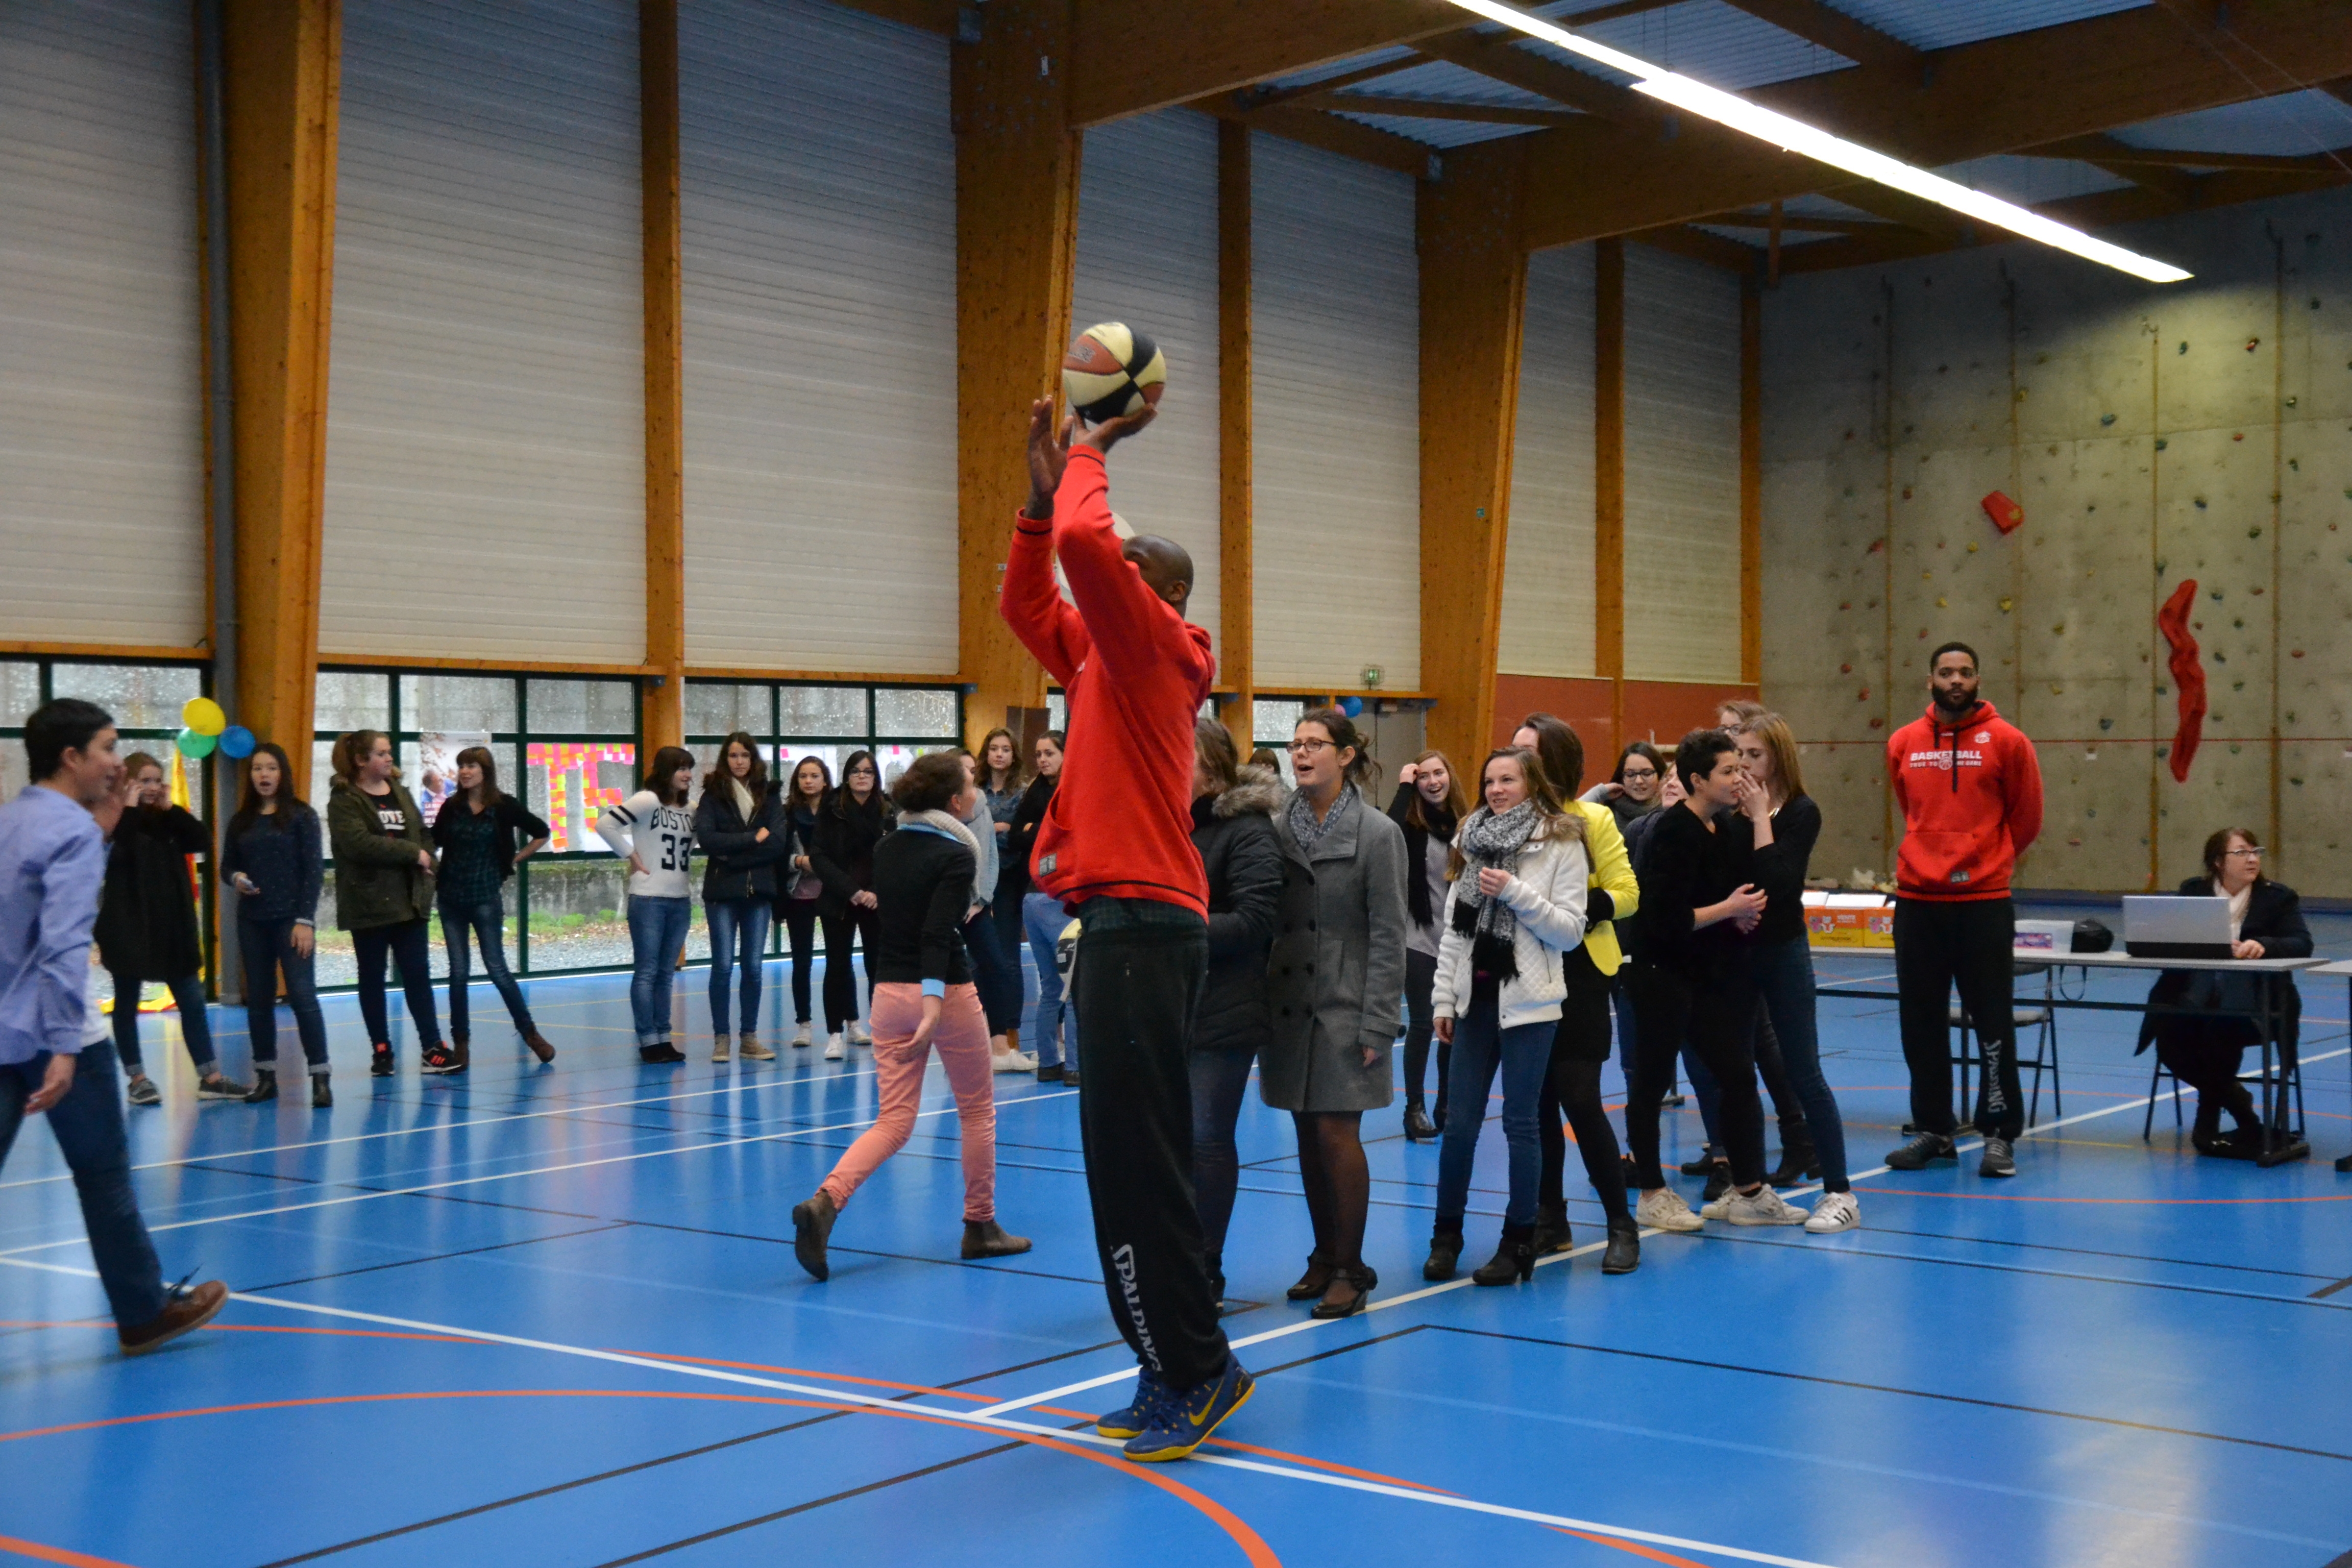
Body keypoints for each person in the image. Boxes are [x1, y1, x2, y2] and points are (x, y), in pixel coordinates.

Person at [1001, 393, 1252, 1461]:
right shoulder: (1103, 665)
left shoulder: (1155, 649)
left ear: (1164, 594)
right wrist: (1032, 502)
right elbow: (1029, 601)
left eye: (1123, 579)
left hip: (1147, 926)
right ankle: (1174, 1366)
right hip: (1115, 924)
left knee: (1139, 1163)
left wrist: (1089, 454)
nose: (1100, 587)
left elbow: (1086, 546)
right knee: (1120, 1164)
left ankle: (1198, 1372)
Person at [0, 699, 228, 1355]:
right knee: (104, 1180)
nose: (115, 761)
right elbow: (66, 947)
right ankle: (142, 1310)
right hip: (57, 1039)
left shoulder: (11, 821)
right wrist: (65, 1049)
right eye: (106, 747)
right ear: (71, 758)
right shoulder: (69, 834)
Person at [791, 753, 1032, 1279]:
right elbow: (935, 933)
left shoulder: (888, 845)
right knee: (976, 1112)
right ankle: (981, 1226)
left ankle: (827, 1201)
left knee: (895, 1120)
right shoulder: (956, 855)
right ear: (954, 802)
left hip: (886, 993)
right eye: (971, 784)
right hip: (939, 992)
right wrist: (932, 1000)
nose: (977, 791)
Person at [1622, 730, 1811, 1231]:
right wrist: (1729, 910)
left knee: (1737, 1076)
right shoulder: (1671, 831)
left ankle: (1748, 1189)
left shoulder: (1723, 828)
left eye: (1741, 769)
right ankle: (1651, 1193)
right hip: (1662, 974)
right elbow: (1664, 919)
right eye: (1728, 771)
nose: (1739, 779)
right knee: (1650, 1082)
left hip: (1709, 976)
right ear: (1698, 780)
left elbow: (1748, 888)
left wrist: (1740, 916)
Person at [1426, 747, 1591, 1285]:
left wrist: (1516, 893)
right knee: (1458, 1127)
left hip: (1531, 1006)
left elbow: (1568, 931)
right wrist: (1443, 1000)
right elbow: (1454, 932)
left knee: (1522, 1125)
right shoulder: (1470, 840)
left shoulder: (1561, 841)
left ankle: (1518, 1242)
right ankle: (1445, 1236)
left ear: (1532, 784)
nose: (1497, 790)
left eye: (1509, 780)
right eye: (1490, 780)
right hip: (1473, 1003)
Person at [1883, 641, 2044, 1178]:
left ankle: (1999, 1134)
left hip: (1983, 904)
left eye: (1966, 672)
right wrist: (1931, 857)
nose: (1957, 680)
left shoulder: (2009, 742)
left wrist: (1983, 861)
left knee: (1993, 1020)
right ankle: (1935, 1130)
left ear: (1978, 680)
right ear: (1930, 680)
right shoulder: (1904, 742)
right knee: (1920, 1022)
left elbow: (2026, 820)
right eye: (1947, 672)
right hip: (1918, 904)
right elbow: (1912, 809)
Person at [1265, 708, 1407, 1318]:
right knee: (1304, 1132)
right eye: (1295, 745)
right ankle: (1323, 1255)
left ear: (1345, 755)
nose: (1301, 754)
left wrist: (1379, 1020)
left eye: (1315, 745)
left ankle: (1352, 1267)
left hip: (1347, 1006)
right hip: (1287, 1008)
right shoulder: (1274, 829)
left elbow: (1389, 935)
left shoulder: (1378, 833)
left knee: (1335, 1133)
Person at [1509, 714, 1638, 1269]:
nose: (1514, 761)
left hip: (1582, 969)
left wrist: (1572, 908)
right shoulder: (1505, 823)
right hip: (1526, 971)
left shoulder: (1595, 819)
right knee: (1536, 1104)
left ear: (1554, 760)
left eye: (1527, 752)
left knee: (1579, 1096)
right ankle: (1550, 1219)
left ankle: (1620, 1223)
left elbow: (1627, 894)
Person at [1728, 714, 1856, 1231]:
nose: (1744, 767)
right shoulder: (1729, 813)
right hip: (1736, 954)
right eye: (1738, 757)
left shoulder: (1802, 812)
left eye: (1754, 756)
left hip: (1782, 952)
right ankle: (1749, 1188)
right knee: (1735, 1072)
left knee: (1804, 1071)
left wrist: (1760, 817)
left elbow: (1779, 882)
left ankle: (1840, 1192)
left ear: (1777, 757)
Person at [1185, 718, 1283, 1310]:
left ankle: (1207, 1269)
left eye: (1183, 754)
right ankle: (1175, 1262)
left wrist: (1178, 928)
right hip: (1168, 1004)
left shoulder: (1247, 829)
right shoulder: (1167, 823)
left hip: (1226, 1006)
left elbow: (1254, 922)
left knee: (1206, 1138)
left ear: (1214, 767)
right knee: (1170, 1143)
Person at [2137, 827, 2311, 1158]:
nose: (2252, 859)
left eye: (2255, 851)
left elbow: (2302, 943)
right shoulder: (2194, 891)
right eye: (2242, 852)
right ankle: (2239, 1104)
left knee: (2221, 1029)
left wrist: (2264, 945)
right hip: (2192, 995)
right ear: (2218, 862)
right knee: (2169, 1036)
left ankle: (2207, 1127)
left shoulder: (2278, 898)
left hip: (2257, 1003)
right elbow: (2170, 940)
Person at [95, 751, 244, 1106]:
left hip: (172, 927)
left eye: (155, 780)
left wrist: (171, 807)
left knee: (192, 1000)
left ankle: (210, 1076)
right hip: (128, 926)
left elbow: (201, 841)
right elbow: (122, 850)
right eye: (143, 781)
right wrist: (129, 807)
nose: (151, 788)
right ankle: (138, 1078)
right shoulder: (112, 818)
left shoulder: (167, 819)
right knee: (126, 1001)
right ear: (128, 783)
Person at [327, 730, 457, 1078]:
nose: (389, 760)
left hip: (408, 902)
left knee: (418, 975)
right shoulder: (344, 799)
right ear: (360, 761)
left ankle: (432, 1048)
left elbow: (421, 832)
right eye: (382, 754)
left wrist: (429, 856)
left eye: (389, 754)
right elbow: (359, 844)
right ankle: (381, 1050)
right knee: (372, 977)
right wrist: (411, 853)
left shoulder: (400, 792)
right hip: (368, 904)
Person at [220, 742, 330, 1105]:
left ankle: (320, 1076)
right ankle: (266, 1076)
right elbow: (226, 866)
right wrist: (236, 878)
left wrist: (305, 921)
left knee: (302, 995)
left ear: (282, 773)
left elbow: (314, 872)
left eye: (270, 768)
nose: (263, 775)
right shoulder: (242, 820)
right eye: (257, 769)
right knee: (259, 1002)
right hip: (253, 921)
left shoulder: (302, 816)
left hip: (291, 921)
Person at [430, 745, 554, 1066]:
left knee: (497, 968)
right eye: (461, 766)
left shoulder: (504, 807)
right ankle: (461, 1043)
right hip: (451, 900)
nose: (465, 772)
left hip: (485, 898)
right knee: (458, 972)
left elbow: (541, 833)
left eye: (472, 765)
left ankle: (530, 1033)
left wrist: (513, 860)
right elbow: (434, 841)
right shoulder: (451, 807)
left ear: (486, 771)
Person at [599, 746, 697, 1065]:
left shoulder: (692, 809)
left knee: (666, 974)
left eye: (689, 769)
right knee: (647, 972)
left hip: (680, 900)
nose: (687, 775)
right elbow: (605, 825)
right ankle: (647, 1040)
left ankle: (664, 1038)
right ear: (666, 771)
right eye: (681, 768)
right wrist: (630, 855)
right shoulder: (647, 800)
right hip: (648, 899)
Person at [694, 732, 786, 1063]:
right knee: (722, 966)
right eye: (733, 755)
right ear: (725, 759)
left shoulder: (770, 795)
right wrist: (752, 839)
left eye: (745, 755)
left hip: (759, 892)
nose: (739, 761)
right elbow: (707, 839)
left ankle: (749, 1038)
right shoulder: (713, 796)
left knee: (754, 967)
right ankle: (722, 1039)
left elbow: (776, 843)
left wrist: (734, 855)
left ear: (753, 759)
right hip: (722, 893)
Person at [1390, 750, 1466, 1141]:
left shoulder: (1465, 825)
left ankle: (1447, 1104)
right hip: (1417, 938)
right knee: (1423, 1022)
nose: (1433, 781)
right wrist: (1403, 784)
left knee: (1452, 1025)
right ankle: (1414, 1108)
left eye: (1440, 773)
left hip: (1456, 940)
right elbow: (1384, 832)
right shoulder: (1408, 827)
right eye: (1424, 777)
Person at [954, 750, 1032, 1073]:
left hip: (978, 903)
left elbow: (989, 858)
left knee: (997, 965)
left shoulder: (982, 808)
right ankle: (962, 1047)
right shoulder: (934, 816)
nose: (973, 776)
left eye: (974, 771)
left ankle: (1000, 1045)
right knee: (953, 977)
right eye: (966, 771)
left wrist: (980, 899)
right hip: (947, 905)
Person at [810, 748, 889, 1062]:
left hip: (876, 901)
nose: (862, 777)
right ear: (847, 776)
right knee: (838, 966)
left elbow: (895, 854)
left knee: (878, 968)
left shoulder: (887, 808)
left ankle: (882, 1030)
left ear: (875, 777)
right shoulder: (832, 809)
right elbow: (819, 856)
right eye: (856, 771)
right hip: (840, 899)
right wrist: (852, 891)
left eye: (868, 771)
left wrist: (875, 892)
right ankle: (835, 1034)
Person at [1007, 731, 1074, 1084]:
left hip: (1038, 894)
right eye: (1038, 754)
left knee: (1052, 986)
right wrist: (1045, 832)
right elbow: (1016, 835)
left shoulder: (1072, 789)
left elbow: (1027, 834)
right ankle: (1074, 1065)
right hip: (1049, 896)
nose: (1042, 760)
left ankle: (1049, 1062)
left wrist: (1038, 831)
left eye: (1049, 753)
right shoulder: (1040, 792)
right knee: (1071, 985)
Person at [977, 726, 1030, 1061]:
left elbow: (1021, 837)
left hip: (1010, 878)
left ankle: (1010, 1034)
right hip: (979, 877)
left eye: (1006, 749)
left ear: (1014, 755)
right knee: (978, 957)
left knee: (1009, 956)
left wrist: (1003, 831)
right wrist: (995, 830)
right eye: (994, 748)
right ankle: (983, 1030)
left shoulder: (1022, 794)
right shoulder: (975, 791)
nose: (999, 754)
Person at [778, 756, 831, 1048]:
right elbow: (777, 856)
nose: (809, 781)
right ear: (796, 781)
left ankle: (849, 1021)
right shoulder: (786, 815)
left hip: (831, 893)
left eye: (814, 775)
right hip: (799, 893)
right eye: (803, 776)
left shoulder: (836, 812)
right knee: (802, 961)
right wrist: (799, 861)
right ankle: (804, 1024)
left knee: (839, 960)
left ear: (825, 780)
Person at [1581, 740, 1665, 830]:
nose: (1639, 781)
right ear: (1622, 778)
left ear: (1660, 776)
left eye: (1647, 773)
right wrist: (1599, 793)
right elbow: (1571, 818)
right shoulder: (1607, 813)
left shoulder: (1670, 811)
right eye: (1630, 775)